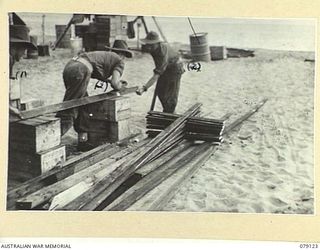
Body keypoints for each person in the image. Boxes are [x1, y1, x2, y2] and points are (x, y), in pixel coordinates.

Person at [56, 40, 133, 150]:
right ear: (122, 54)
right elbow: (115, 83)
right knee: (70, 109)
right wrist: (121, 86)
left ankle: (83, 140)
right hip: (80, 70)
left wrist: (108, 80)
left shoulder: (105, 55)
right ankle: (50, 138)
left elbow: (94, 68)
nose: (124, 58)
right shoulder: (119, 61)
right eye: (124, 56)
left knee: (83, 105)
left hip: (70, 66)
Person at [136, 31, 185, 113]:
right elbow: (159, 68)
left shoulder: (162, 51)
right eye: (148, 44)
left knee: (170, 95)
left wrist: (145, 88)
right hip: (165, 67)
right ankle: (168, 111)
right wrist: (159, 70)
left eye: (151, 45)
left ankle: (170, 113)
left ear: (157, 43)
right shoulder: (152, 49)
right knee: (160, 91)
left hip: (175, 68)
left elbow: (156, 74)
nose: (149, 47)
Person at [9, 23, 38, 118]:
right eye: (23, 49)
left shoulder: (10, 59)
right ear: (14, 47)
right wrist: (10, 108)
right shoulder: (6, 58)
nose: (24, 53)